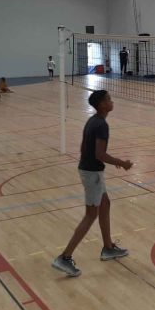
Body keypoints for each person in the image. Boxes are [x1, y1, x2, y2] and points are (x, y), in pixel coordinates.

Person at [52, 90, 133, 277]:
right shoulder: (101, 125)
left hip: (88, 169)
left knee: (105, 205)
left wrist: (88, 165)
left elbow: (83, 147)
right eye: (109, 100)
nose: (112, 102)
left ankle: (108, 248)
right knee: (90, 215)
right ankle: (64, 257)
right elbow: (100, 154)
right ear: (102, 105)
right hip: (92, 173)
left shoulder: (92, 120)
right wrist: (123, 163)